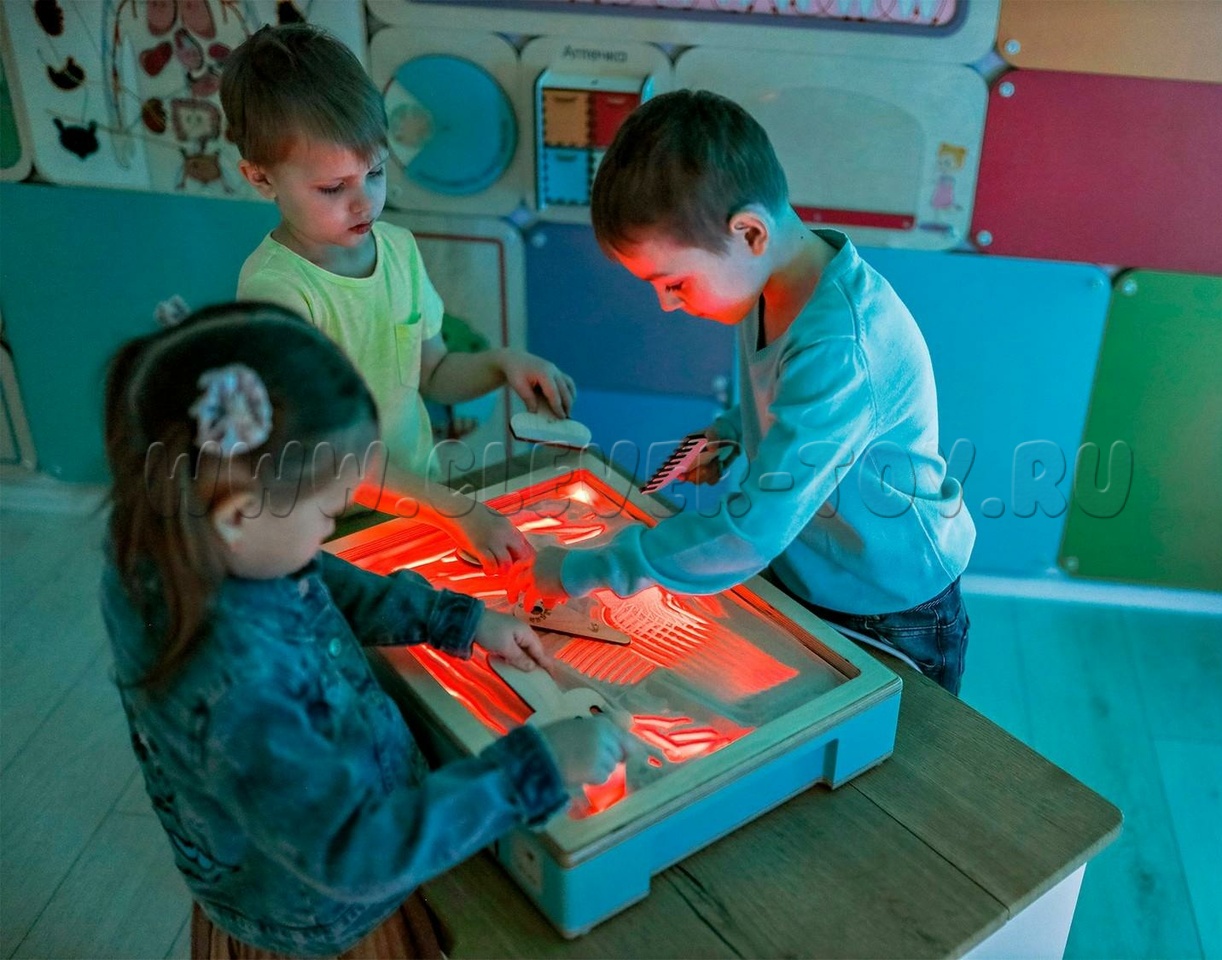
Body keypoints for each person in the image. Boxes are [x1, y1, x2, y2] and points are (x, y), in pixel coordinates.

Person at [100, 302, 626, 957]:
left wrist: (455, 618)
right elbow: (355, 854)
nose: (331, 528)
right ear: (236, 515)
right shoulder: (240, 687)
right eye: (328, 511)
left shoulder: (177, 536)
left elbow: (316, 578)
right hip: (320, 915)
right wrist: (537, 766)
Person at [513, 90, 976, 694]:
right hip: (813, 565)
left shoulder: (842, 343)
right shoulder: (771, 285)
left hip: (891, 602)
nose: (667, 304)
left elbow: (751, 531)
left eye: (675, 282)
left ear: (750, 232)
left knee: (897, 745)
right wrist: (732, 431)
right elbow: (792, 402)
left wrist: (583, 570)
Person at [219, 23, 577, 572]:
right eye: (333, 188)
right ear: (261, 179)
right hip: (323, 535)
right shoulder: (277, 291)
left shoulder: (398, 250)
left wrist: (503, 364)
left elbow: (434, 372)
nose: (364, 202)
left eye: (376, 172)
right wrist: (456, 510)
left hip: (416, 509)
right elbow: (328, 457)